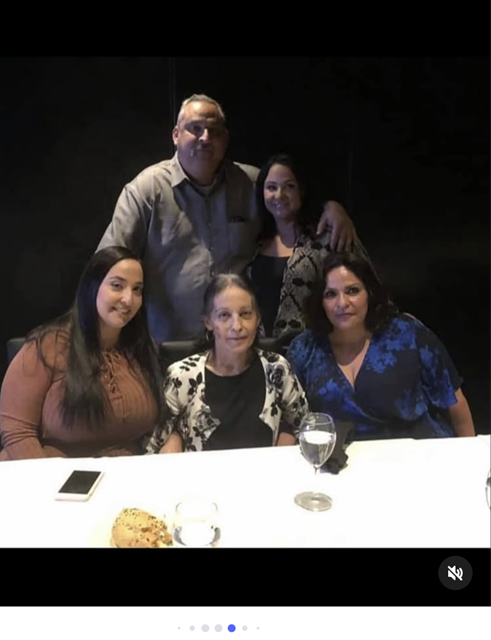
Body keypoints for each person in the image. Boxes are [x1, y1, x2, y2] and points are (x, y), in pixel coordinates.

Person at [97, 94, 358, 341]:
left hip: (238, 344)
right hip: (165, 346)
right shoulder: (146, 190)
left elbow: (290, 196)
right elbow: (105, 268)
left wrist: (331, 207)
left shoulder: (251, 183)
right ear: (176, 135)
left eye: (214, 131)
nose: (205, 138)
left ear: (225, 139)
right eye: (195, 129)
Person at [0, 248, 166, 460]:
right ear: (92, 287)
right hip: (49, 470)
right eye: (117, 286)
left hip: (123, 472)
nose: (128, 299)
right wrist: (48, 477)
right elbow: (17, 432)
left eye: (137, 289)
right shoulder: (47, 345)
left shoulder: (143, 348)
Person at [286, 253, 475, 441]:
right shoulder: (304, 348)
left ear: (369, 293)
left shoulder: (408, 333)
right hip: (340, 456)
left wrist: (471, 453)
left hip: (419, 451)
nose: (342, 303)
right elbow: (290, 420)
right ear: (320, 301)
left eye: (352, 291)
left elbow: (454, 403)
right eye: (330, 294)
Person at [147, 274, 309, 453]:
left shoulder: (277, 368)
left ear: (257, 319)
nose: (237, 326)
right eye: (224, 315)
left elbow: (304, 426)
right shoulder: (182, 376)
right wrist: (174, 438)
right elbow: (153, 444)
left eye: (245, 314)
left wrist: (283, 446)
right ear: (208, 322)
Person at [247, 152, 375, 344]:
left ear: (302, 190)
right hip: (261, 353)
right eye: (271, 187)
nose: (279, 195)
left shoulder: (328, 238)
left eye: (289, 186)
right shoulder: (254, 243)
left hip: (318, 351)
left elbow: (371, 288)